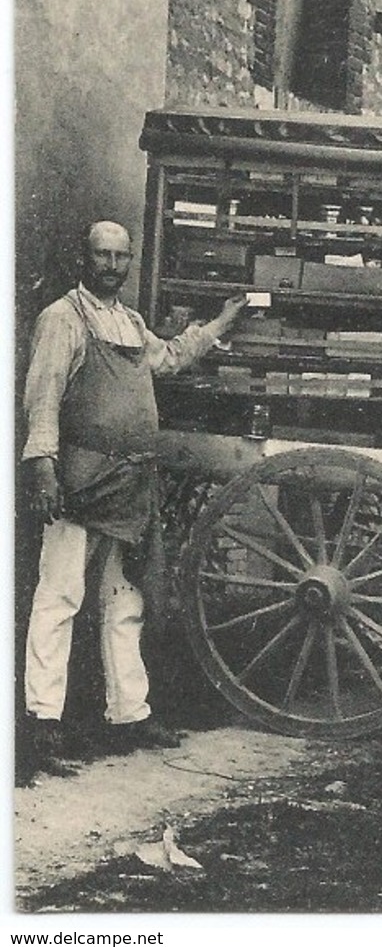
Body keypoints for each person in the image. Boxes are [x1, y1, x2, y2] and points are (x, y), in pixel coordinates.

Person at [21, 220, 243, 773]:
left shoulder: (129, 321)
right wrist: (42, 468)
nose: (112, 266)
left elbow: (167, 357)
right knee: (61, 595)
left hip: (128, 485)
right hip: (82, 481)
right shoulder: (62, 319)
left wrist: (217, 323)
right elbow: (42, 397)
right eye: (102, 255)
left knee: (125, 600)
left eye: (121, 257)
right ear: (84, 258)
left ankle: (130, 713)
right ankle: (41, 720)